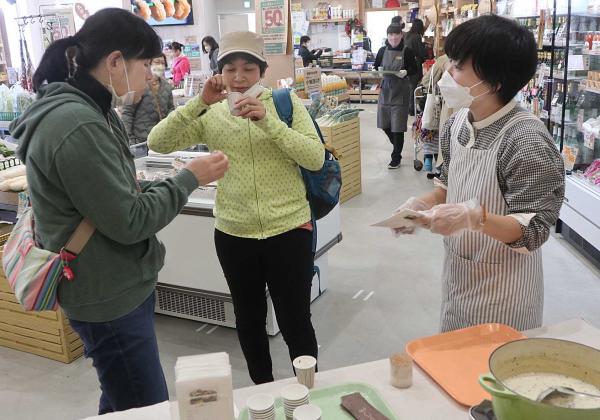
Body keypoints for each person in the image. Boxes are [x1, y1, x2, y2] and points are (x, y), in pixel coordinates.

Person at [9, 8, 228, 415]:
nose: (150, 74)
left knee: (121, 394)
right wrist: (189, 179)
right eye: (145, 63)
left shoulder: (92, 108)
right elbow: (130, 220)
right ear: (114, 61)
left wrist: (156, 184)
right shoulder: (74, 123)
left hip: (115, 281)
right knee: (144, 404)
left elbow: (110, 192)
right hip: (106, 293)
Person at [148, 31, 324, 385]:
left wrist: (268, 122)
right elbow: (158, 141)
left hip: (289, 229)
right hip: (233, 232)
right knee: (248, 318)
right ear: (219, 73)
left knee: (295, 320)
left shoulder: (285, 103)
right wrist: (199, 102)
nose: (239, 77)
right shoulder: (210, 112)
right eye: (230, 68)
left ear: (262, 70)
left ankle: (308, 391)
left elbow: (315, 158)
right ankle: (262, 390)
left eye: (248, 68)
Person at [393, 15, 565, 332]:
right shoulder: (457, 123)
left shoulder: (525, 140)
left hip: (505, 294)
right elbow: (448, 188)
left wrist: (475, 218)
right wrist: (421, 205)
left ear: (493, 81)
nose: (447, 73)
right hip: (460, 280)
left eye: (458, 66)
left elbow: (533, 230)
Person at [374, 20, 419, 169]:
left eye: (396, 34)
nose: (393, 37)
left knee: (397, 127)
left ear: (401, 35)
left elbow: (415, 70)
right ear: (387, 36)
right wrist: (377, 71)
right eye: (390, 34)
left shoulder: (407, 51)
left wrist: (406, 72)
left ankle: (396, 157)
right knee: (384, 124)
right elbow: (375, 67)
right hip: (386, 90)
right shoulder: (381, 51)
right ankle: (397, 145)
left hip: (400, 91)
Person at [121, 54, 174, 157]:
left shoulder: (167, 86)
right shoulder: (138, 84)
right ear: (149, 64)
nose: (160, 66)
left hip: (160, 141)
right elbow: (127, 113)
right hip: (140, 143)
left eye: (163, 63)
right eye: (157, 62)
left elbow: (171, 108)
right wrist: (129, 139)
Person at [404, 19, 427, 115]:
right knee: (413, 87)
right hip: (414, 63)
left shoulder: (406, 35)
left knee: (408, 87)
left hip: (405, 64)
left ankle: (408, 108)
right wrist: (425, 48)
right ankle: (412, 109)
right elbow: (420, 52)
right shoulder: (417, 36)